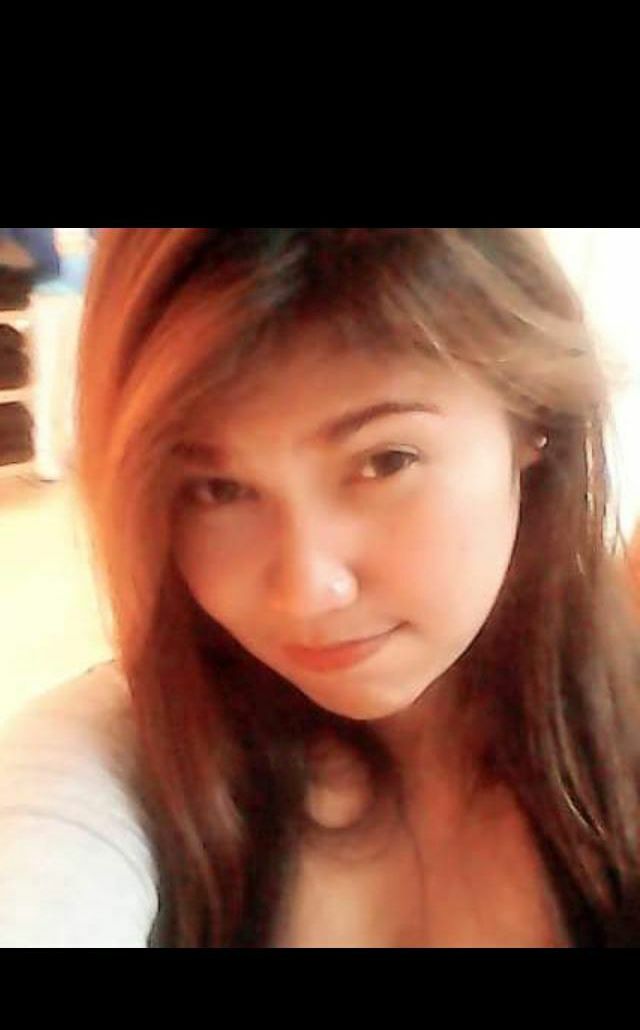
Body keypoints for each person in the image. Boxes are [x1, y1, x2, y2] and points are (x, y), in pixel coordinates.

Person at [1, 228, 639, 949]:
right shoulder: (104, 767)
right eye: (218, 490)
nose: (307, 592)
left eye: (386, 460)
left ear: (533, 418)